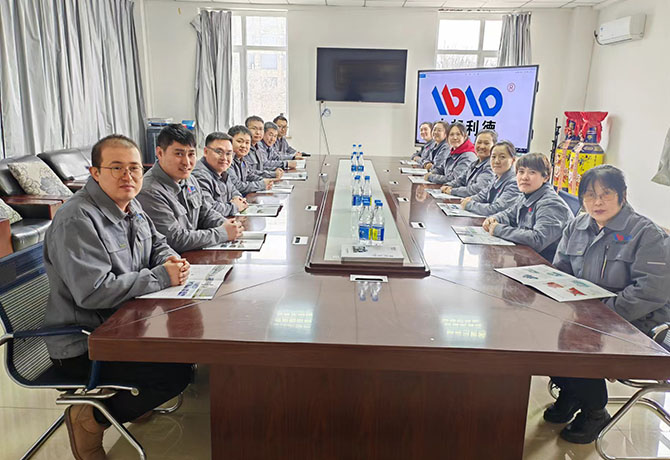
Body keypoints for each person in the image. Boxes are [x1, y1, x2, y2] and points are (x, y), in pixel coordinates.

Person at [43, 134, 193, 459]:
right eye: (116, 167)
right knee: (176, 373)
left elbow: (157, 243)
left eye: (134, 168)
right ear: (95, 173)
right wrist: (160, 276)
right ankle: (89, 419)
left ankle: (129, 402)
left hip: (125, 325)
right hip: (85, 342)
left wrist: (170, 259)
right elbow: (93, 292)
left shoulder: (130, 203)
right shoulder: (77, 219)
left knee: (185, 349)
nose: (128, 176)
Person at [545, 165, 670, 444]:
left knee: (579, 340)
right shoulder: (577, 226)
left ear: (622, 196)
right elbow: (560, 270)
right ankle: (571, 392)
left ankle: (595, 411)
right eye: (590, 195)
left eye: (606, 194)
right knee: (541, 330)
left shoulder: (647, 234)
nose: (597, 202)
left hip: (636, 322)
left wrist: (601, 315)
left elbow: (651, 292)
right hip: (587, 313)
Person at [137, 124, 243, 253]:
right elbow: (175, 239)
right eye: (179, 154)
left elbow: (205, 213)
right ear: (160, 153)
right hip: (175, 260)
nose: (186, 162)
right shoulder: (150, 191)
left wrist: (226, 224)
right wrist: (222, 233)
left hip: (194, 253)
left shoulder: (189, 179)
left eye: (191, 154)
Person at [482, 152, 573, 261]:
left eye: (532, 172)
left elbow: (537, 240)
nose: (524, 177)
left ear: (546, 177)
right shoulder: (527, 194)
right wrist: (495, 219)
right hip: (527, 257)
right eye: (521, 172)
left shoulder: (551, 204)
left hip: (545, 263)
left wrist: (499, 229)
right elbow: (509, 214)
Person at [191, 131, 248, 217]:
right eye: (219, 152)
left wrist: (237, 198)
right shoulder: (199, 175)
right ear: (205, 152)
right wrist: (235, 207)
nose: (224, 158)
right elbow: (208, 209)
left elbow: (233, 190)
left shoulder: (222, 170)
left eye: (228, 153)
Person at [460, 140, 522, 216]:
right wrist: (470, 199)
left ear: (513, 160)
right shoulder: (496, 177)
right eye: (493, 157)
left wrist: (469, 205)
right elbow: (483, 195)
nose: (496, 161)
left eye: (502, 157)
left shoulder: (515, 183)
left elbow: (496, 209)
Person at [441, 129, 496, 197]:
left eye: (486, 143)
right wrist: (448, 185)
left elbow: (478, 189)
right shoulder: (474, 163)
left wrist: (452, 191)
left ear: (494, 146)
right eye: (479, 142)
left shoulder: (491, 166)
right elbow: (460, 180)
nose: (482, 146)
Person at [227, 125, 277, 195]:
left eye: (247, 143)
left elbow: (249, 175)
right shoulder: (227, 161)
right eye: (239, 141)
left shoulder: (242, 160)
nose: (244, 146)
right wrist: (261, 184)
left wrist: (262, 180)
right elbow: (237, 186)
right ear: (229, 142)